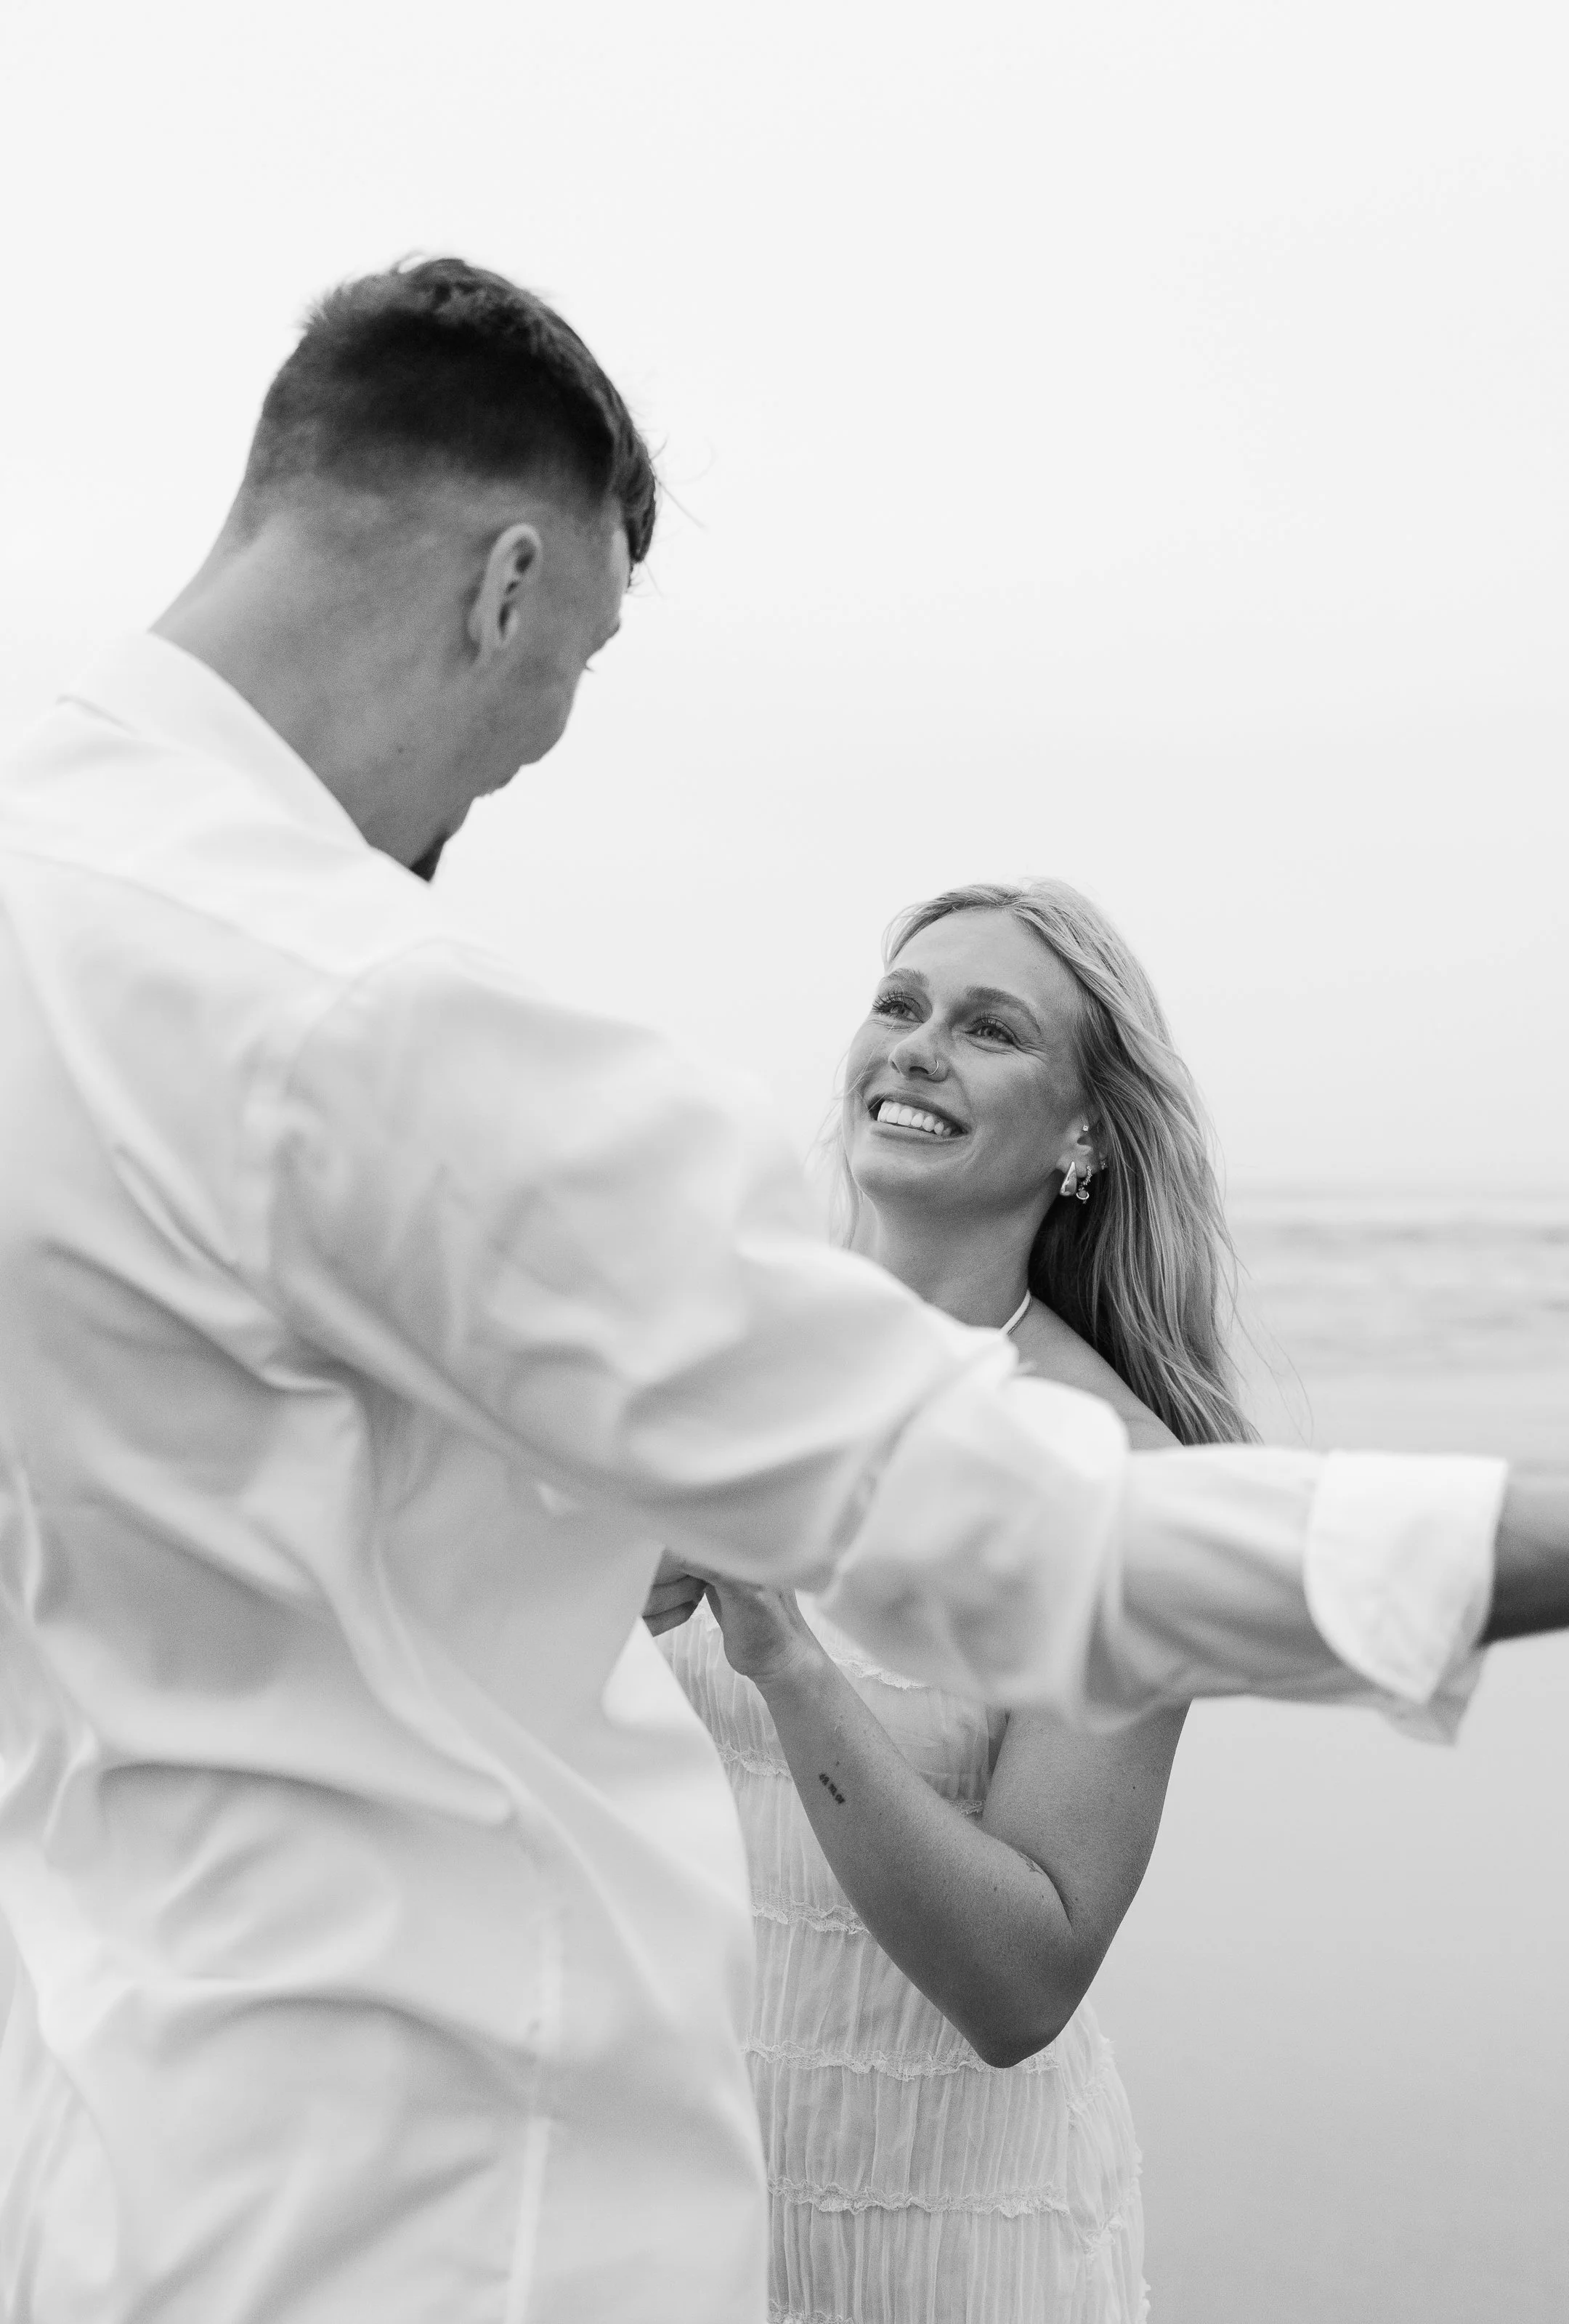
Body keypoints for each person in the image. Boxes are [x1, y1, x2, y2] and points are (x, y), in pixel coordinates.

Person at [0, 255, 1565, 2324]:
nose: (534, 749)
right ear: (508, 583)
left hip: (111, 2173)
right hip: (461, 2218)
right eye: (574, 662)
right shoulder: (366, 1019)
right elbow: (1024, 1535)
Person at [655, 878, 1248, 2322]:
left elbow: (1020, 1983)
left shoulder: (1119, 1484)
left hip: (940, 2219)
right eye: (900, 1006)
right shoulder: (702, 1335)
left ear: (1086, 1134)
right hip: (655, 2170)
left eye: (990, 1030)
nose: (917, 1049)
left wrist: (785, 1649)